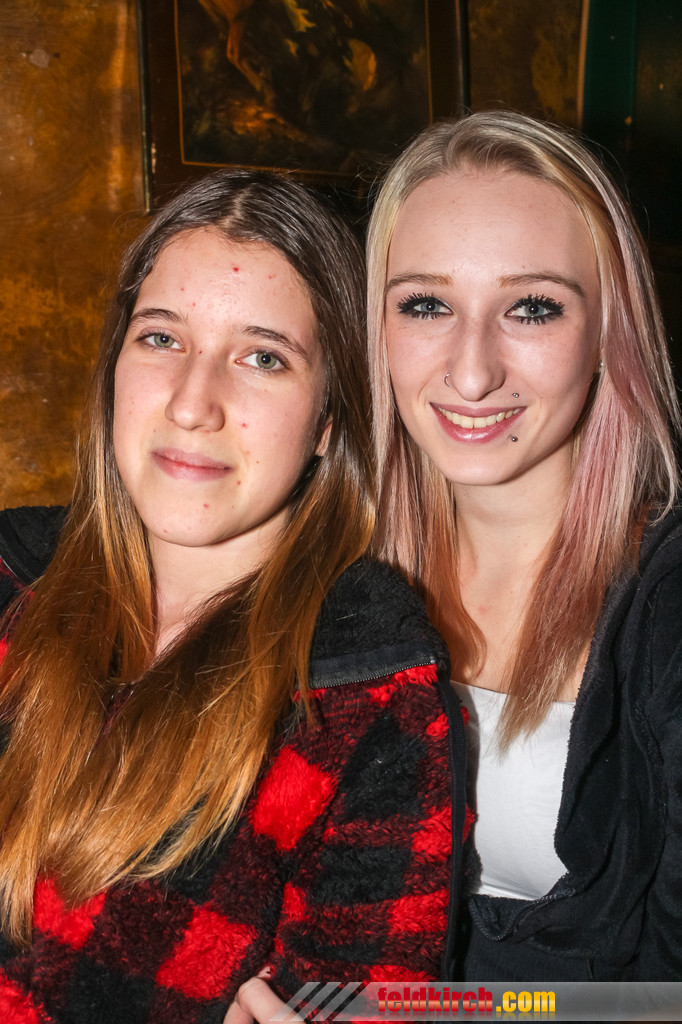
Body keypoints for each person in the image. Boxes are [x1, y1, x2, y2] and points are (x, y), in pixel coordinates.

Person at [0, 169, 468, 1023]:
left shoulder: (369, 699)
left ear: (328, 421)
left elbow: (369, 999)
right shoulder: (10, 581)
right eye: (161, 338)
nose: (192, 404)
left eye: (263, 358)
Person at [364, 110, 682, 982]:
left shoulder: (667, 608)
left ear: (610, 333)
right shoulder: (331, 571)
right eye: (426, 304)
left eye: (532, 308)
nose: (472, 371)